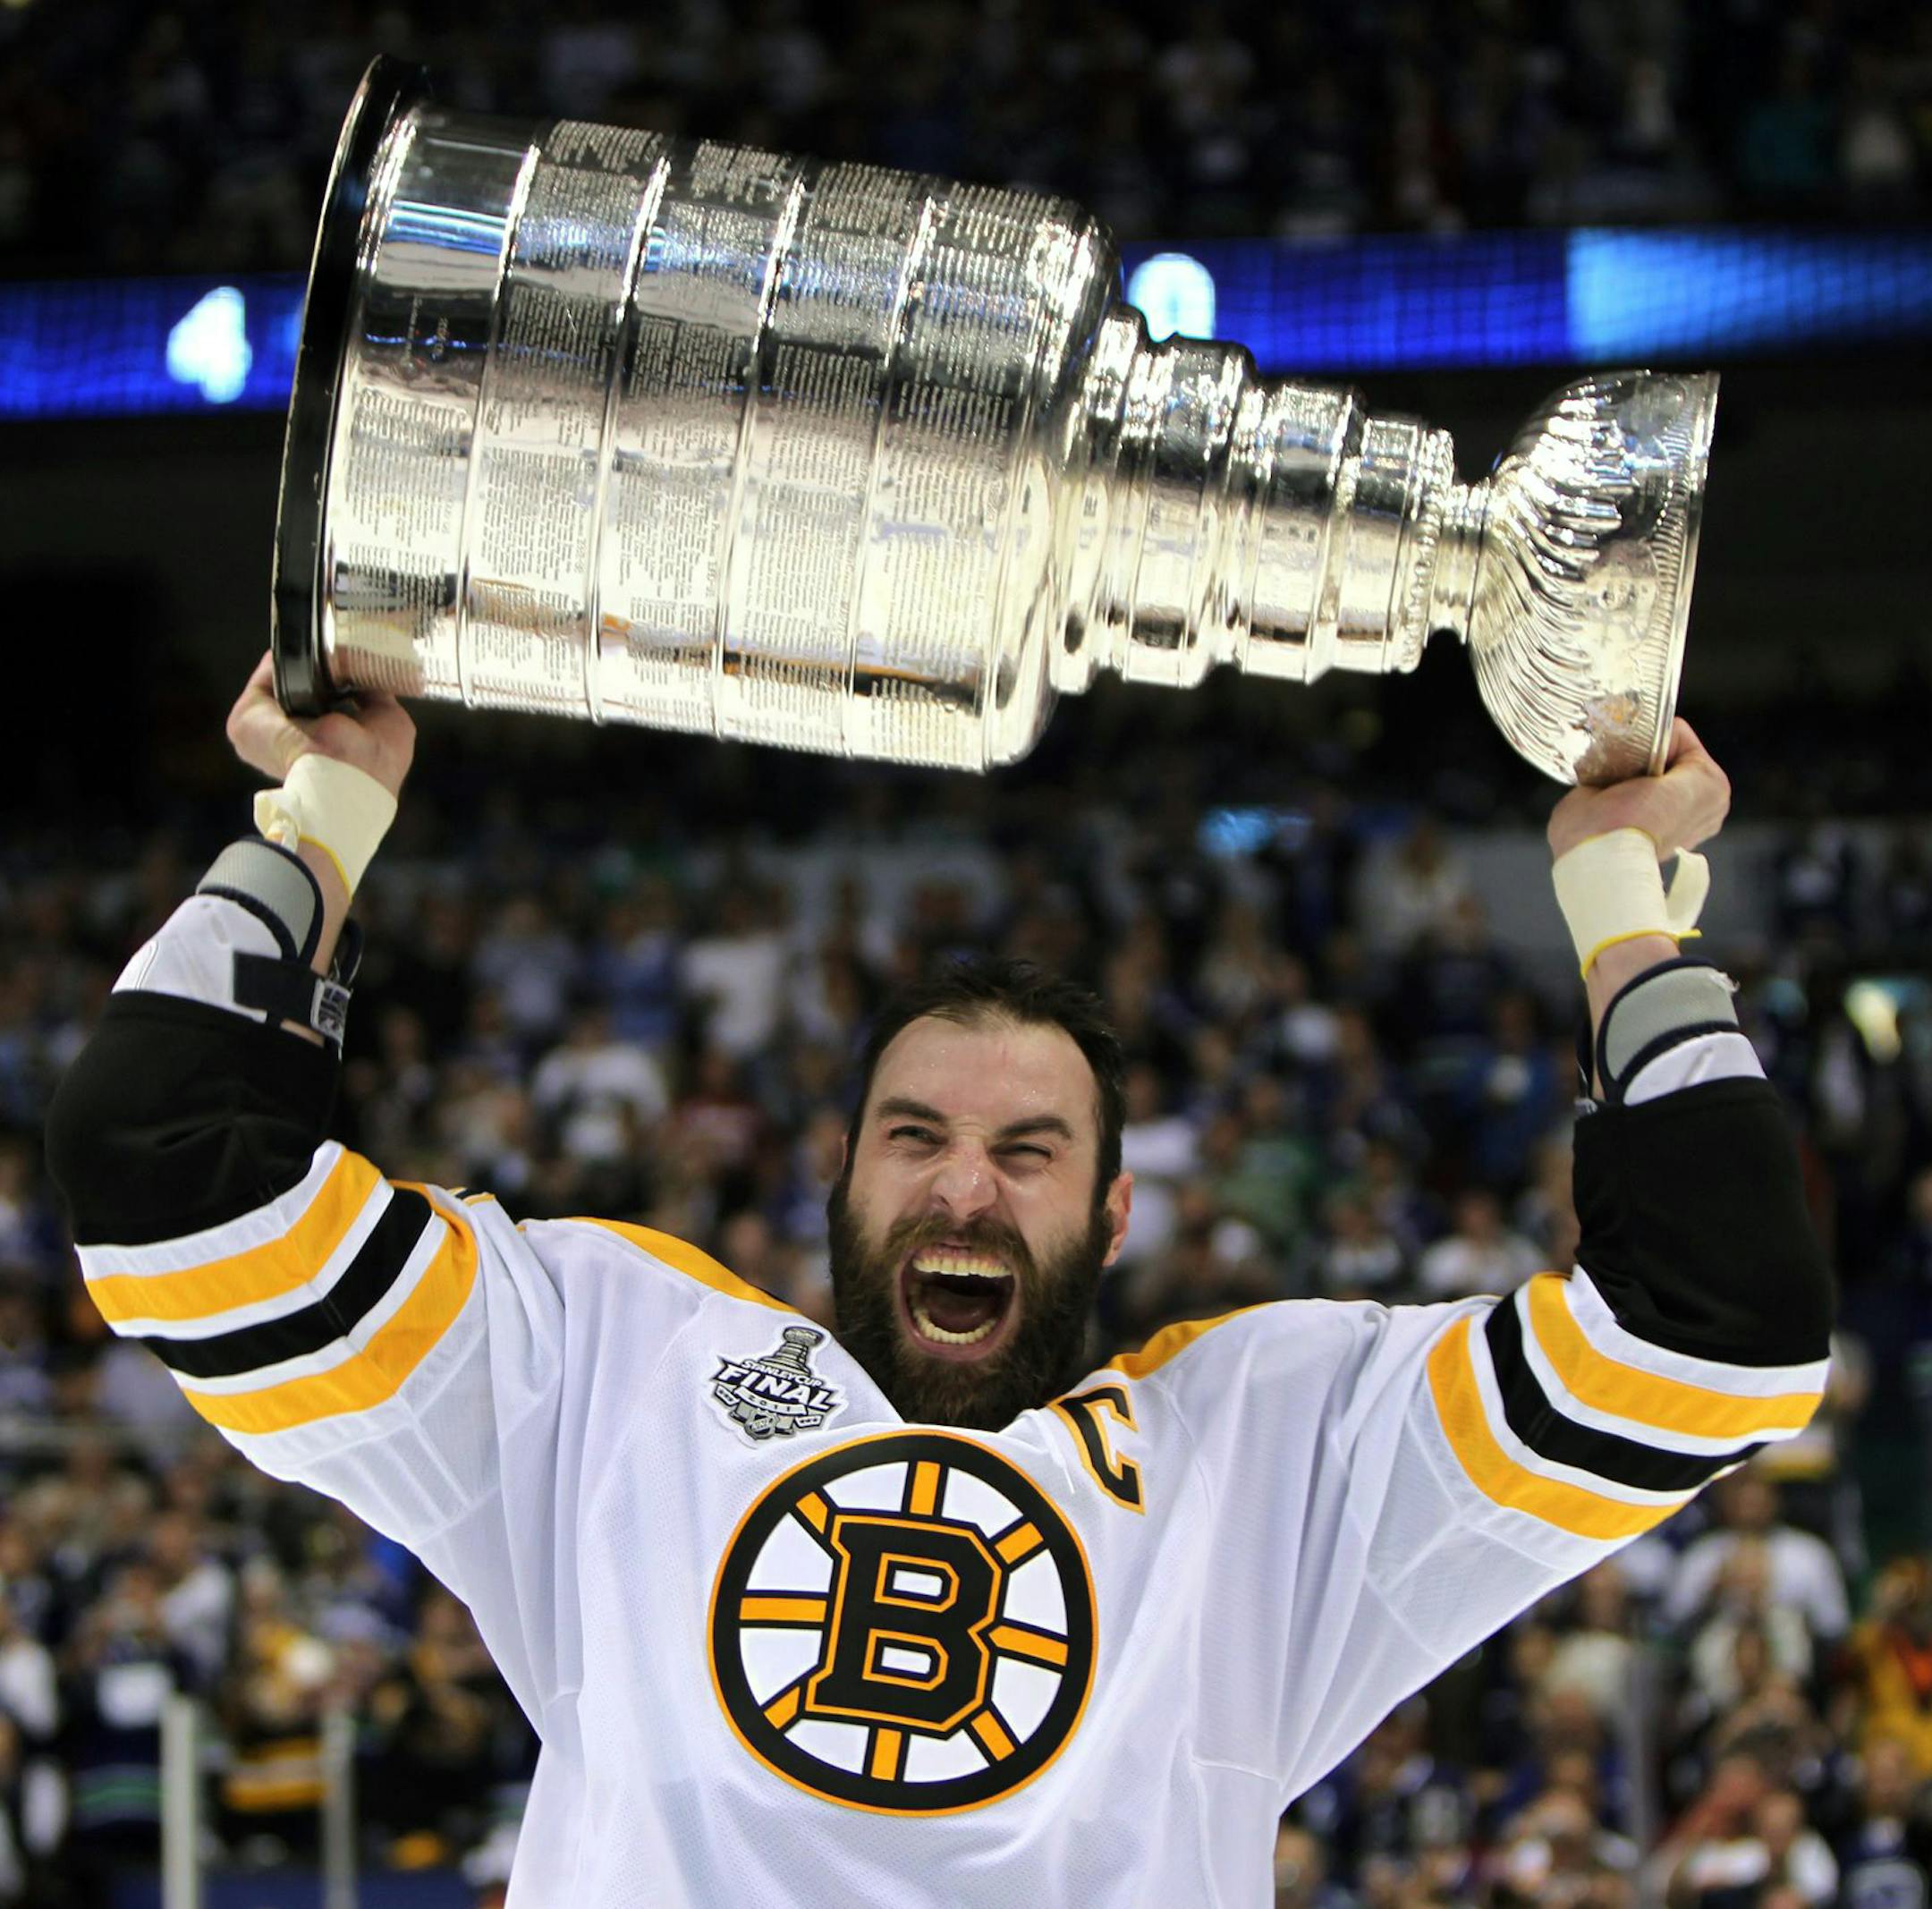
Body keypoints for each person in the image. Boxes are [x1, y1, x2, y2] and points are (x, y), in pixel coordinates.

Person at [43, 655, 1835, 1906]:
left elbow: (1717, 1332)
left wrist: (1626, 910)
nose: (963, 1184)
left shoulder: (1269, 1448)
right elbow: (167, 1189)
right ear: (840, 1172)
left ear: (1115, 1213)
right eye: (914, 1136)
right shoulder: (605, 1362)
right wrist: (317, 823)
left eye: (1027, 1150)